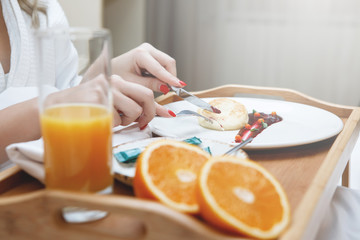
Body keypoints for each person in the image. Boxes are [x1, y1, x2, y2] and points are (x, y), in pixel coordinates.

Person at [0, 0, 183, 161]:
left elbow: (62, 91)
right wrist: (52, 106)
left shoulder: (41, 9)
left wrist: (96, 82)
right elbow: (57, 101)